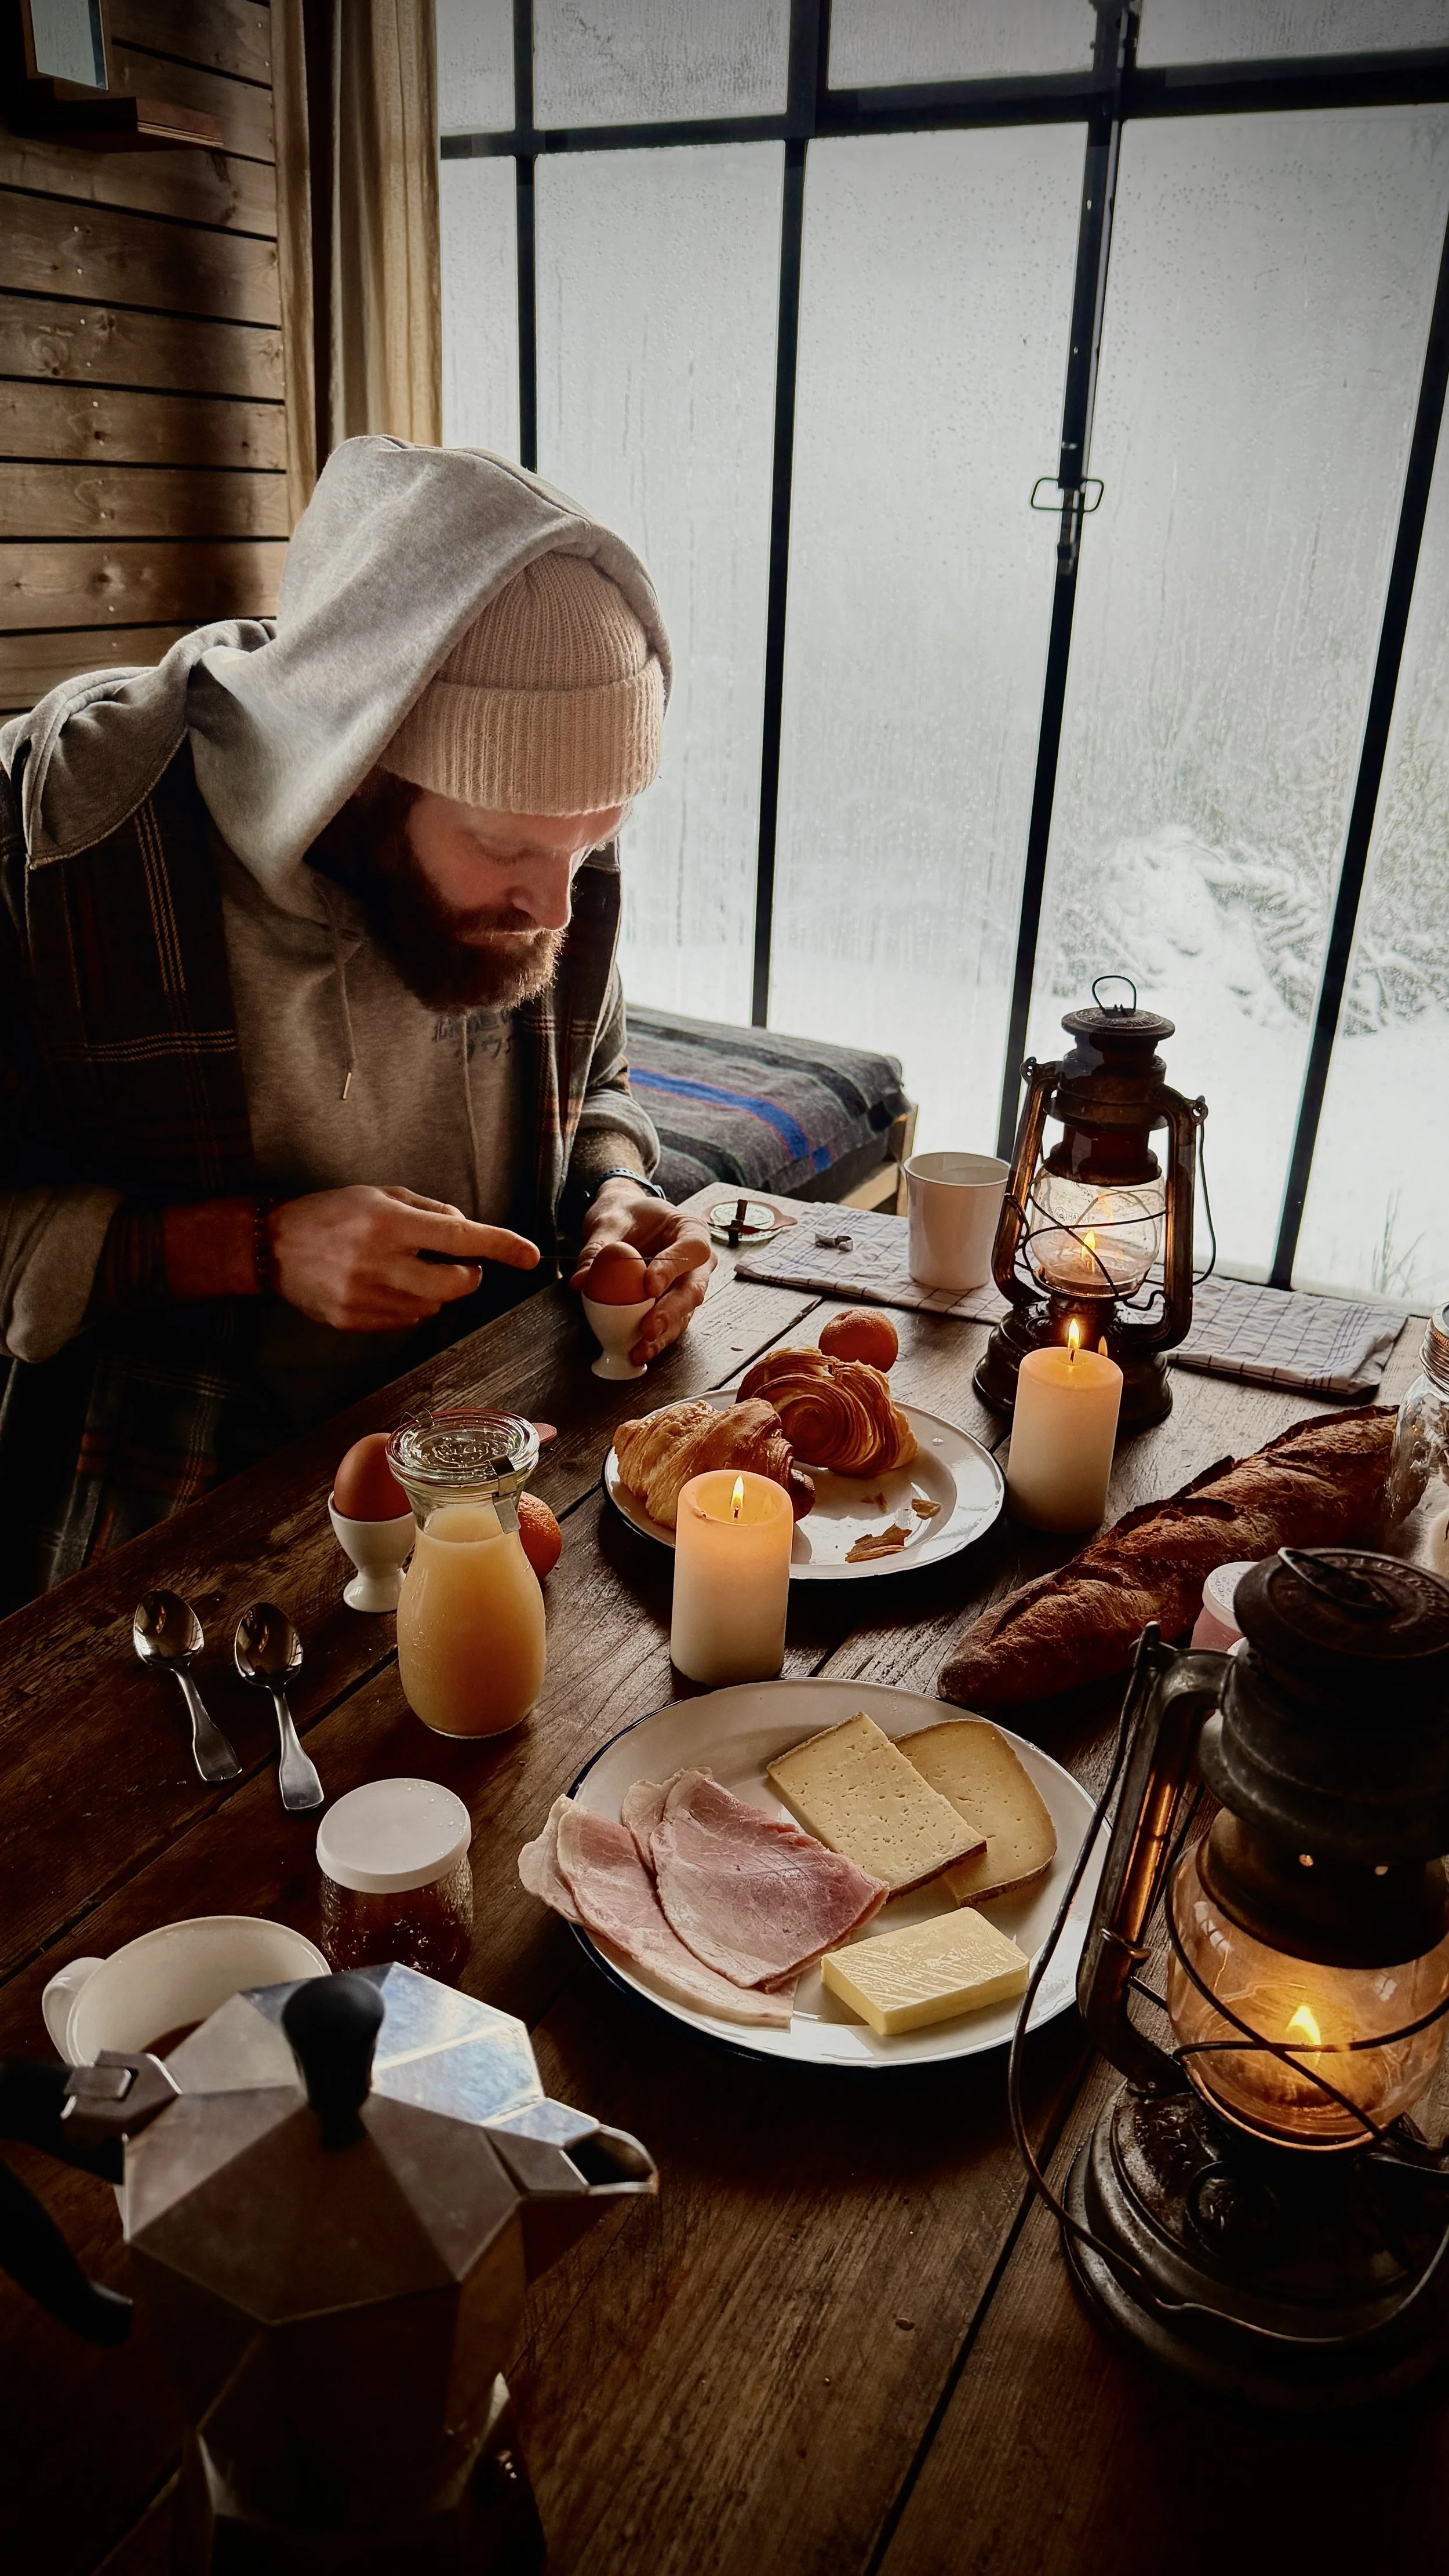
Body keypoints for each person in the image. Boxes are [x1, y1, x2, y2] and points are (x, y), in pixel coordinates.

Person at [0, 438, 714, 1604]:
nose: (558, 904)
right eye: (506, 846)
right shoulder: (54, 854)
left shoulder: (552, 852)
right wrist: (253, 1246)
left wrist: (616, 1192)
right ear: (355, 765)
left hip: (506, 1460)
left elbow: (600, 1086)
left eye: (596, 842)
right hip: (166, 1518)